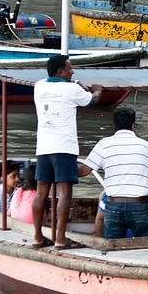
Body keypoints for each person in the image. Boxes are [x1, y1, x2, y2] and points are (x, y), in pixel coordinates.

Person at [32, 55, 102, 250]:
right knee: (65, 193)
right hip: (64, 148)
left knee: (40, 193)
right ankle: (61, 239)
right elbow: (91, 101)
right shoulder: (71, 89)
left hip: (43, 148)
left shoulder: (39, 86)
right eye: (70, 68)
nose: (72, 71)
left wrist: (75, 84)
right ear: (60, 71)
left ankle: (38, 237)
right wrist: (98, 90)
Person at [79, 106, 148, 239]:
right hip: (139, 205)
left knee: (112, 247)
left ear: (114, 125)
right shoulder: (145, 146)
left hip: (113, 204)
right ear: (133, 126)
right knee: (145, 248)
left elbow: (83, 171)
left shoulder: (103, 144)